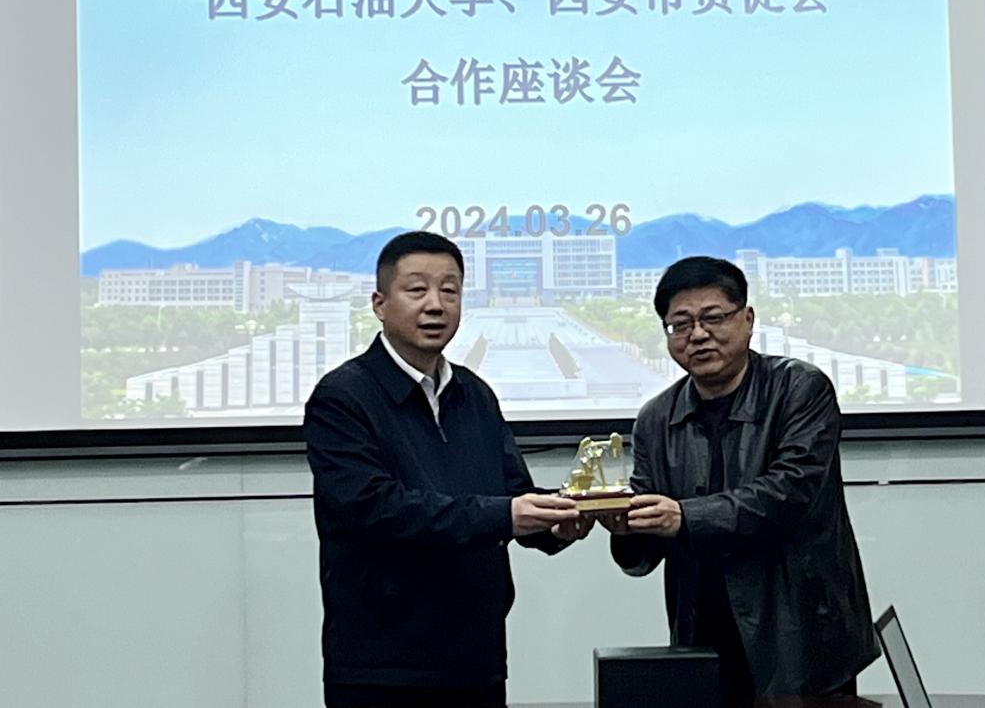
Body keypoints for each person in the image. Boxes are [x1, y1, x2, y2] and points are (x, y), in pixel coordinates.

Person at [304, 231, 592, 708]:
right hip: (383, 667)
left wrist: (561, 520)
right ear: (379, 304)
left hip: (476, 659)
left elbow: (510, 492)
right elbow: (375, 509)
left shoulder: (474, 394)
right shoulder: (343, 397)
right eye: (417, 290)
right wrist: (506, 515)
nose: (435, 305)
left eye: (450, 290)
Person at [605, 256, 879, 702]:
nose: (697, 334)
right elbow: (646, 546)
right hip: (703, 637)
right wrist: (625, 524)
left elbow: (790, 492)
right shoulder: (656, 418)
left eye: (713, 318)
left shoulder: (799, 389)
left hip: (801, 636)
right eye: (680, 324)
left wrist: (684, 517)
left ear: (747, 319)